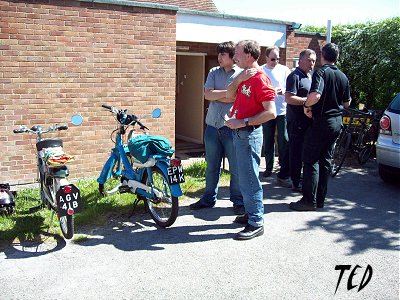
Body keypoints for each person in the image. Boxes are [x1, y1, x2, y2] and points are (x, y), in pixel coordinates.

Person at [289, 43, 351, 211]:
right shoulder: (343, 76)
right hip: (337, 122)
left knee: (310, 160)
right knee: (325, 160)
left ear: (322, 55)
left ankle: (309, 200)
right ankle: (320, 199)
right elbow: (347, 102)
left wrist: (306, 106)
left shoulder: (321, 72)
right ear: (336, 57)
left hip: (322, 122)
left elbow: (315, 95)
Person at [225, 40, 276, 240]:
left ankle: (256, 222)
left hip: (249, 133)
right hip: (239, 133)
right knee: (243, 176)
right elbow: (229, 95)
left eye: (237, 53)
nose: (234, 56)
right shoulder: (244, 75)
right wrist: (238, 80)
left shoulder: (260, 79)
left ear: (248, 55)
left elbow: (271, 112)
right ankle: (250, 212)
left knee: (249, 178)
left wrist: (243, 122)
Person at [189, 41, 245, 215]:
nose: (219, 58)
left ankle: (237, 201)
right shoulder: (213, 72)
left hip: (231, 127)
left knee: (235, 167)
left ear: (232, 57)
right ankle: (208, 198)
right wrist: (227, 94)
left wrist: (218, 94)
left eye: (223, 54)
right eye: (219, 54)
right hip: (212, 126)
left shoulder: (241, 74)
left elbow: (238, 98)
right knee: (212, 165)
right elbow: (207, 94)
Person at [285, 49, 317, 192]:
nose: (312, 63)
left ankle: (299, 177)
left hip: (308, 121)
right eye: (310, 60)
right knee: (296, 152)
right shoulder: (294, 76)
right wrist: (307, 101)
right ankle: (295, 181)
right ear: (301, 60)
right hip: (296, 121)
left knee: (305, 151)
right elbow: (289, 98)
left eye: (314, 61)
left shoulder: (310, 76)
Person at [261, 46, 291, 188]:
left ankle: (284, 168)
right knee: (268, 139)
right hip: (267, 110)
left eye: (278, 58)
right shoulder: (261, 70)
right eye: (273, 59)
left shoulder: (284, 70)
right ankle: (268, 167)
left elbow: (291, 86)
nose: (275, 61)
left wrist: (282, 90)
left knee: (283, 139)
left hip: (282, 110)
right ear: (266, 58)